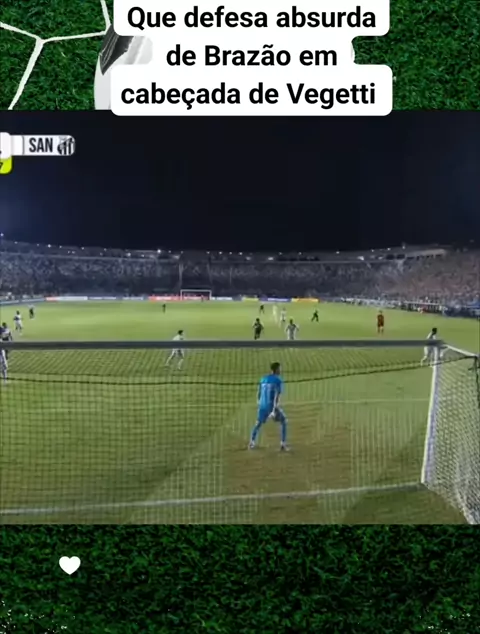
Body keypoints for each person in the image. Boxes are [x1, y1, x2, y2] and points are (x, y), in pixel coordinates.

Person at [249, 362, 289, 451]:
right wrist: (274, 410)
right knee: (284, 421)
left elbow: (258, 393)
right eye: (279, 369)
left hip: (262, 406)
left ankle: (252, 442)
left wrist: (260, 405)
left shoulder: (263, 379)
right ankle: (283, 444)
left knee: (258, 424)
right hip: (271, 406)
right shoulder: (278, 380)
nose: (280, 370)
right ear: (277, 370)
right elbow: (277, 396)